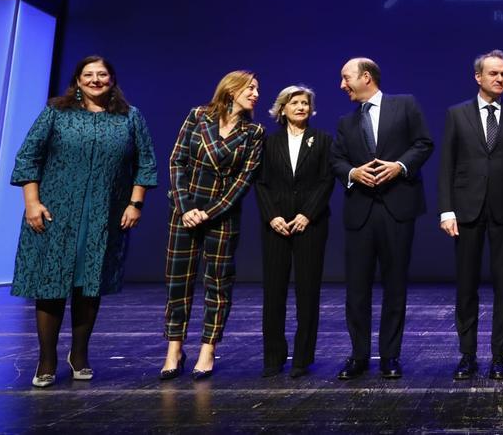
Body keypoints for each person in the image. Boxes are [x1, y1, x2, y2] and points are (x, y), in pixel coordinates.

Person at [11, 55, 157, 387]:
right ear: (77, 81)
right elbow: (28, 156)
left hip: (103, 215)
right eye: (88, 75)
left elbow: (146, 163)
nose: (95, 80)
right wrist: (31, 203)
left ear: (112, 79)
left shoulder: (130, 118)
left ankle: (79, 354)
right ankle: (46, 360)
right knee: (49, 285)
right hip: (55, 214)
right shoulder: (56, 113)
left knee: (89, 285)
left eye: (102, 74)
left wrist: (136, 204)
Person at [330, 58, 433, 380]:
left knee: (395, 286)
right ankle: (358, 355)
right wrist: (353, 173)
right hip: (360, 212)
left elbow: (423, 144)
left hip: (397, 208)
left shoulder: (404, 105)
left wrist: (399, 167)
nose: (342, 85)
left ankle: (390, 355)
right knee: (357, 290)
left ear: (366, 77)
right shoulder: (346, 123)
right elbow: (336, 160)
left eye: (346, 78)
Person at [159, 70, 264, 381]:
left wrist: (210, 212)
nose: (256, 93)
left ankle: (208, 348)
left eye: (257, 88)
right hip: (185, 210)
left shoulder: (254, 131)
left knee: (218, 283)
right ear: (231, 90)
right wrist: (186, 207)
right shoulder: (198, 116)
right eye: (251, 87)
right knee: (178, 281)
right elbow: (176, 160)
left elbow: (244, 179)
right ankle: (174, 348)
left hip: (221, 215)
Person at [438, 49, 503, 381]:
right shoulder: (457, 114)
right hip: (466, 211)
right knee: (466, 287)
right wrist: (446, 210)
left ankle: (498, 356)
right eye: (493, 73)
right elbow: (447, 166)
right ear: (478, 77)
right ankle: (467, 355)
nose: (499, 79)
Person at [254, 85, 335, 378]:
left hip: (310, 225)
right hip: (275, 226)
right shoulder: (267, 142)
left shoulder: (323, 140)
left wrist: (307, 214)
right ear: (282, 109)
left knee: (307, 291)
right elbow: (260, 182)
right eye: (294, 103)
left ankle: (302, 358)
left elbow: (326, 180)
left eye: (305, 103)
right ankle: (273, 358)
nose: (300, 107)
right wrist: (272, 216)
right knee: (274, 292)